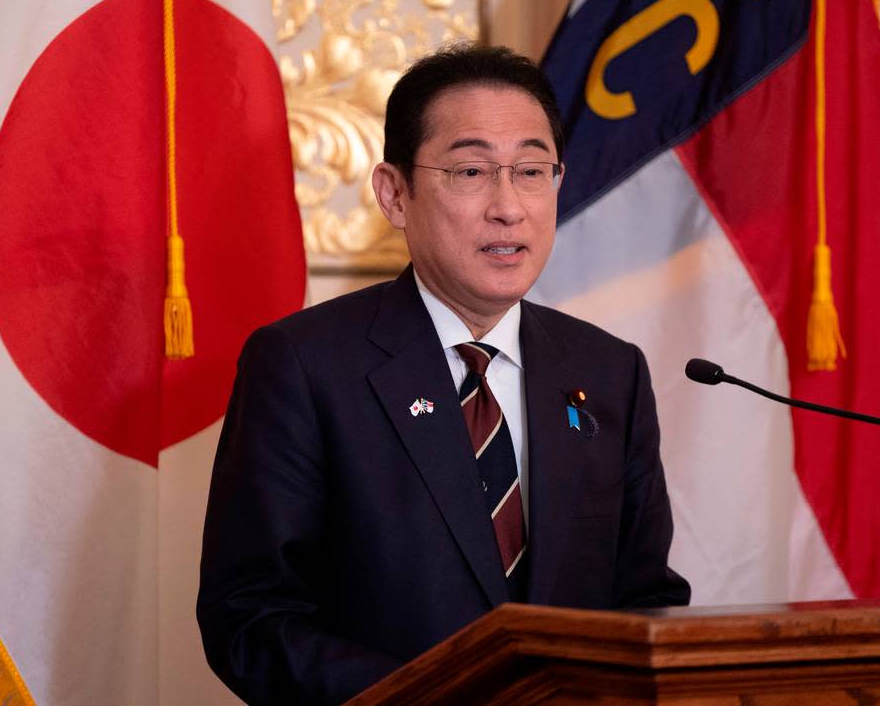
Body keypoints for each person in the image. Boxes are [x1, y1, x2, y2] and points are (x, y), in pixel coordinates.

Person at [197, 44, 690, 705]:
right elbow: (250, 619)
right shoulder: (304, 366)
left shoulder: (608, 371)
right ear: (394, 193)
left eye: (532, 171)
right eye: (470, 171)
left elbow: (646, 599)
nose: (509, 206)